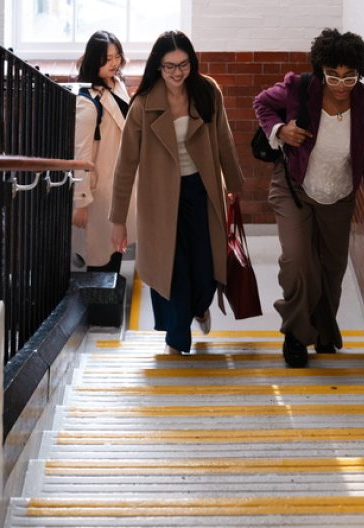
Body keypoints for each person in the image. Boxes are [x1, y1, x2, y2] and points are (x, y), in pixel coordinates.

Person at [254, 28, 364, 368]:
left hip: (340, 194)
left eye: (350, 77)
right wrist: (279, 131)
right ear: (321, 71)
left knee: (331, 269)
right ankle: (296, 336)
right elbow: (262, 103)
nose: (341, 85)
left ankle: (324, 328)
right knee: (300, 261)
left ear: (361, 73)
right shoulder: (300, 88)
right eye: (333, 76)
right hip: (294, 187)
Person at [110, 30, 244, 354]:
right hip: (160, 201)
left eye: (183, 65)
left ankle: (200, 308)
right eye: (169, 66)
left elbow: (224, 141)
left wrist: (236, 189)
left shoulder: (207, 92)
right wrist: (118, 220)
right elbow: (125, 164)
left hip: (203, 192)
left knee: (205, 269)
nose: (177, 73)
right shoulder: (143, 105)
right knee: (173, 274)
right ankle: (176, 341)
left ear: (192, 63)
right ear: (158, 66)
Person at [72, 30, 135, 272]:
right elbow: (81, 155)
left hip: (118, 180)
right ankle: (101, 306)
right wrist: (80, 202)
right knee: (100, 255)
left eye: (117, 57)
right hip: (99, 189)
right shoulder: (86, 101)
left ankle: (110, 300)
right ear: (93, 60)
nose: (114, 63)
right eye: (107, 59)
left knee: (116, 247)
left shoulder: (117, 84)